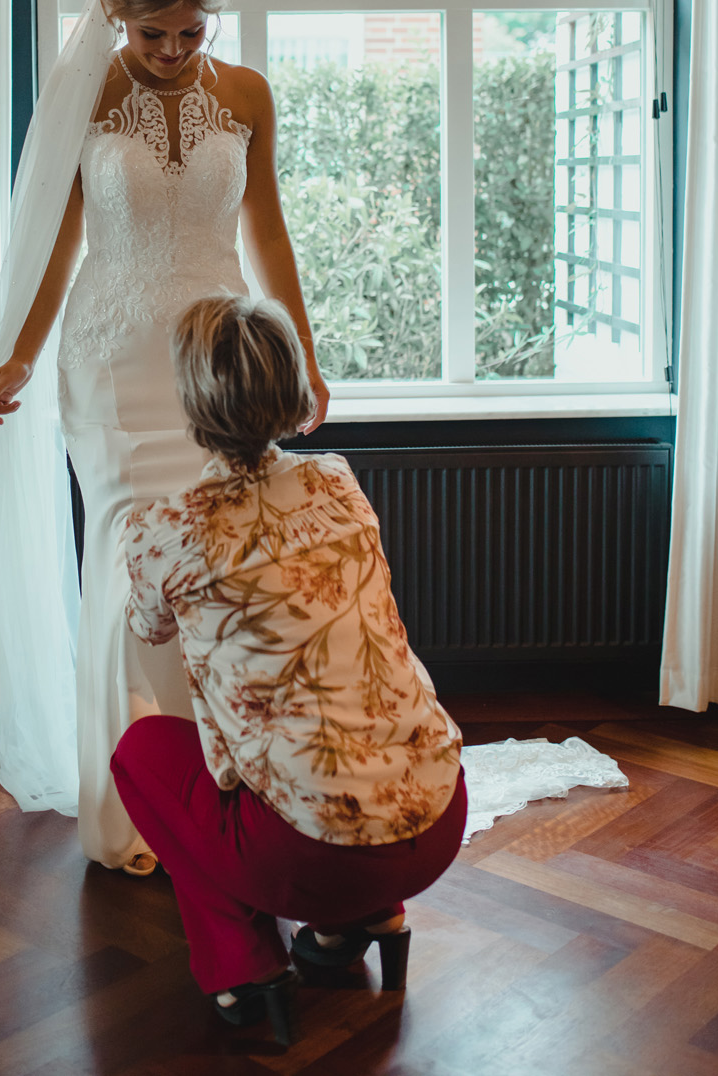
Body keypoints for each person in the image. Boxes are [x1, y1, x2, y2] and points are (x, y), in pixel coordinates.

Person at [0, 0, 329, 874]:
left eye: (191, 31)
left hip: (218, 367)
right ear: (115, 16)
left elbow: (269, 232)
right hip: (112, 369)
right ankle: (132, 806)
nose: (172, 50)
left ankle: (230, 794)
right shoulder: (87, 94)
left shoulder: (246, 95)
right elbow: (57, 242)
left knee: (222, 566)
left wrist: (302, 356)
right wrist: (20, 353)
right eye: (151, 33)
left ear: (212, 15)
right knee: (131, 568)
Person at [112, 294, 466, 1044]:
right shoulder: (337, 481)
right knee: (331, 719)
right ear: (291, 385)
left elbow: (147, 629)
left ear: (191, 399)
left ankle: (243, 966)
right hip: (440, 814)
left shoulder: (164, 527)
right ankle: (368, 919)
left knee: (140, 754)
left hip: (315, 857)